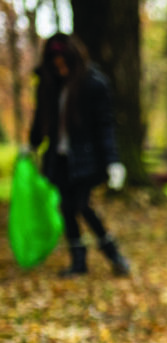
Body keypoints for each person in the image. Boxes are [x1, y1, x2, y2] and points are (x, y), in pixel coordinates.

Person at [28, 33, 130, 278]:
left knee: (81, 205)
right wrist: (33, 144)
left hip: (86, 158)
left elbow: (105, 125)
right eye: (55, 61)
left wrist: (113, 161)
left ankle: (113, 254)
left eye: (63, 61)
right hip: (59, 157)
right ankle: (78, 261)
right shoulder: (49, 83)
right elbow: (40, 117)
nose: (59, 66)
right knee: (66, 207)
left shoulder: (93, 84)